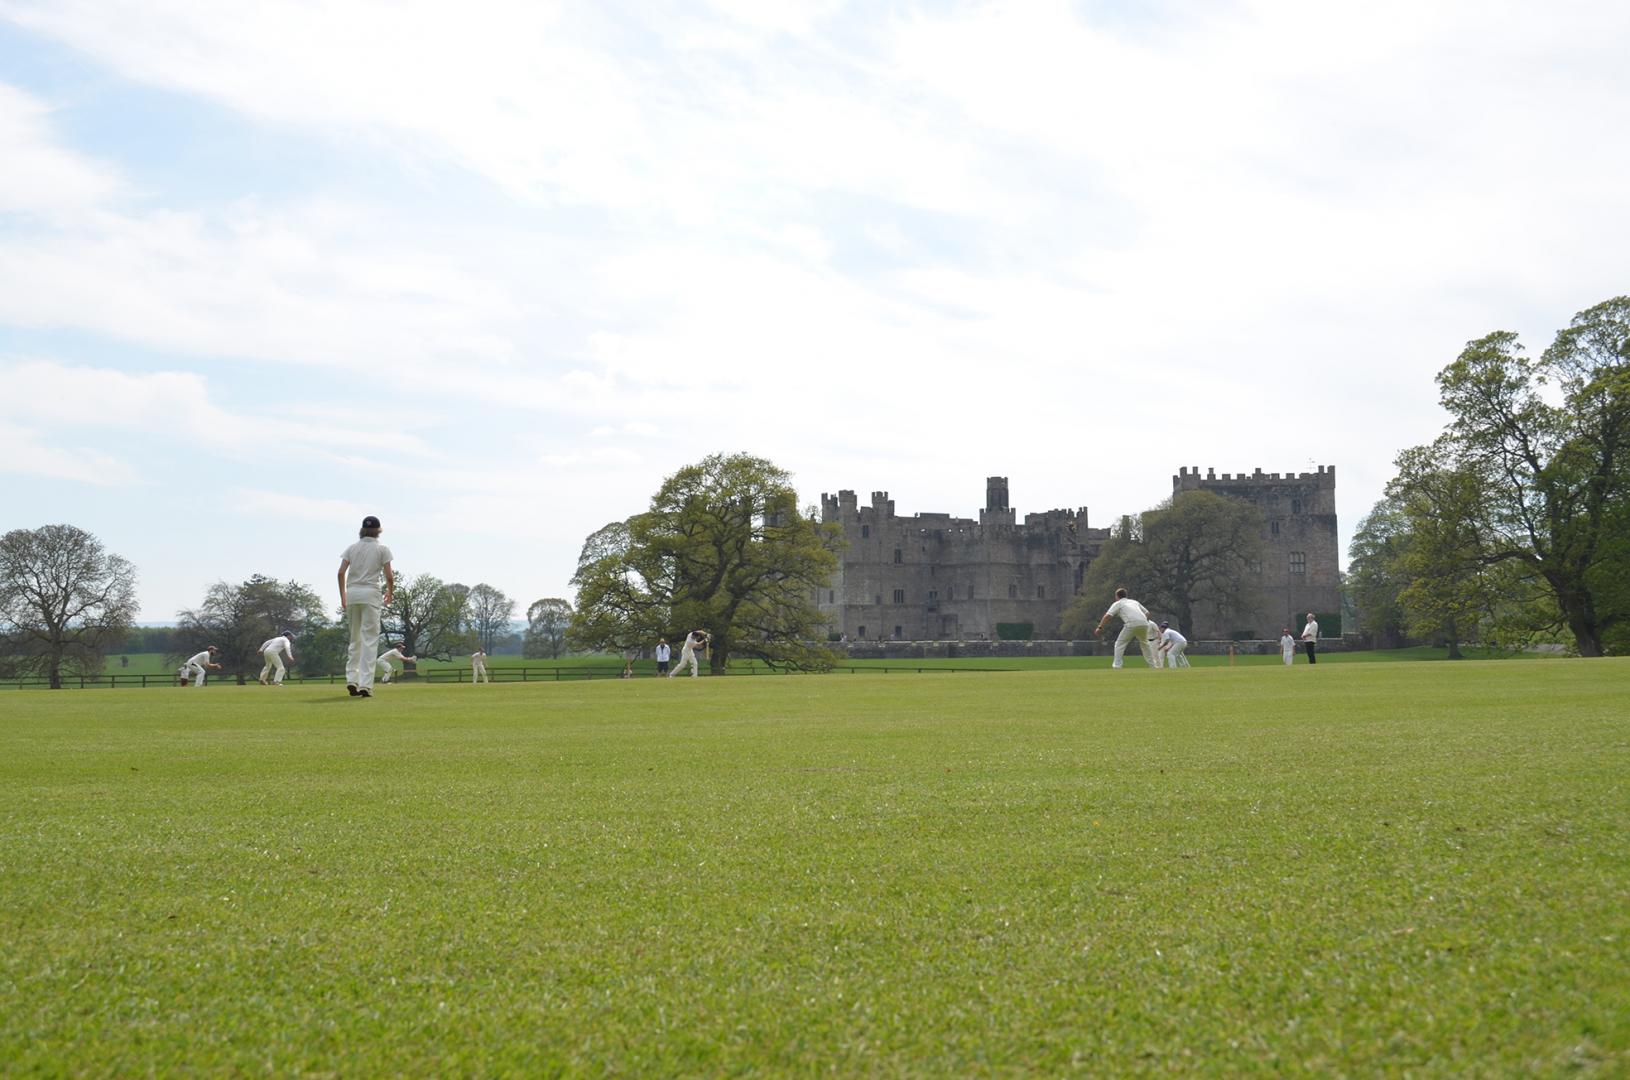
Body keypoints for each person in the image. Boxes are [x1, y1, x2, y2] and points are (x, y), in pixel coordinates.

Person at [338, 515, 394, 698]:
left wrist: (343, 596)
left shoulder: (352, 548)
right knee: (369, 640)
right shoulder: (382, 549)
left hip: (353, 593)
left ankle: (351, 679)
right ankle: (365, 684)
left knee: (355, 639)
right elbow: (389, 576)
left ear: (362, 530)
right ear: (378, 531)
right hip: (371, 594)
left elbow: (340, 573)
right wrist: (390, 592)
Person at [1091, 588, 1158, 669]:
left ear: (1117, 596)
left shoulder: (1118, 603)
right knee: (1145, 644)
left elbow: (1107, 616)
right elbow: (1147, 613)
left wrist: (1100, 627)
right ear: (1126, 595)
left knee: (1119, 644)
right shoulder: (1134, 602)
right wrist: (1142, 622)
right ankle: (1153, 666)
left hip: (1131, 623)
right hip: (1144, 623)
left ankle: (1117, 666)